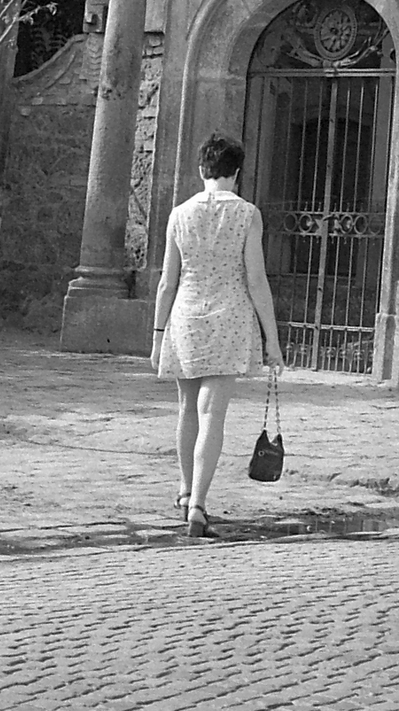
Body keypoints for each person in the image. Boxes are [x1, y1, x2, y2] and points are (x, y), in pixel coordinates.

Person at [150, 132, 283, 538]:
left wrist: (157, 336)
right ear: (237, 173)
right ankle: (199, 505)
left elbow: (166, 283)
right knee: (213, 414)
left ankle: (185, 489)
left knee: (187, 408)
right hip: (230, 317)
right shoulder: (247, 214)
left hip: (186, 316)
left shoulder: (179, 214)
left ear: (201, 170)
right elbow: (256, 280)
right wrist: (271, 340)